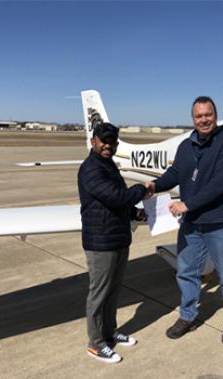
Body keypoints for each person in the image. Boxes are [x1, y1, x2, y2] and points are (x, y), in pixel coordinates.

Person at [145, 96, 223, 344]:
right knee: (187, 272)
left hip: (219, 223)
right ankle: (187, 316)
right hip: (191, 224)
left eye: (208, 114)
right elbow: (176, 173)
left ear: (215, 115)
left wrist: (187, 204)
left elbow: (220, 184)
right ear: (193, 119)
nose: (204, 120)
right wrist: (154, 185)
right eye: (199, 116)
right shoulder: (185, 146)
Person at [77, 122, 148, 363]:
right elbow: (116, 197)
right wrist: (141, 190)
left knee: (114, 291)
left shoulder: (108, 166)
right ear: (93, 141)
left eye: (112, 141)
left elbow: (115, 204)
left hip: (117, 237)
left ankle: (109, 333)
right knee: (99, 293)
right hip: (101, 241)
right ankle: (96, 343)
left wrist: (134, 213)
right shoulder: (91, 169)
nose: (108, 145)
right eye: (104, 140)